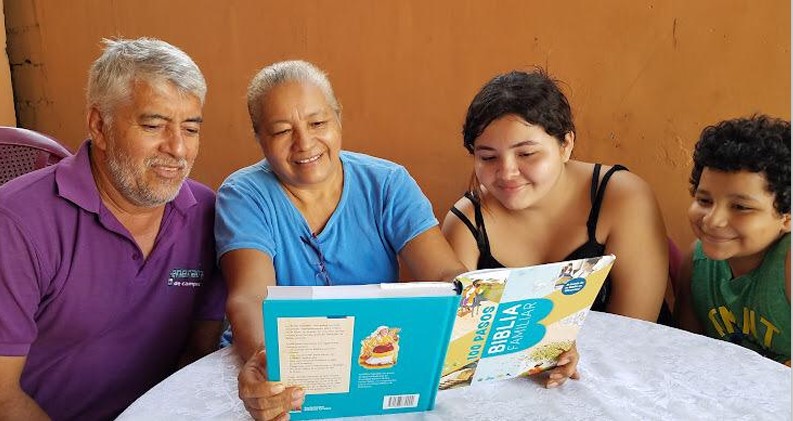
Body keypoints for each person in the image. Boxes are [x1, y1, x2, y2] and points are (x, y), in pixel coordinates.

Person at [215, 61, 580, 421]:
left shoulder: (387, 183)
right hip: (281, 365)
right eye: (281, 131)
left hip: (376, 362)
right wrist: (269, 366)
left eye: (318, 123)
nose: (305, 142)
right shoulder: (243, 195)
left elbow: (446, 275)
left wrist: (534, 346)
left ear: (338, 118)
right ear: (258, 137)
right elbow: (249, 297)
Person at [0, 38, 226, 420]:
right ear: (99, 125)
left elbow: (198, 354)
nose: (177, 148)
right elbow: (3, 397)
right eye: (154, 125)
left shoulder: (206, 213)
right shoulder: (18, 223)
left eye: (190, 128)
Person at [442, 69, 669, 323]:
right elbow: (456, 333)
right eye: (488, 157)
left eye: (527, 154)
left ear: (566, 145)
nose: (507, 172)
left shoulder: (622, 199)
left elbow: (634, 329)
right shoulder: (467, 223)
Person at [675, 115, 790, 365]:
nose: (713, 221)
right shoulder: (695, 264)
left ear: (787, 218)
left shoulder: (787, 265)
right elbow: (687, 349)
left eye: (740, 206)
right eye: (704, 200)